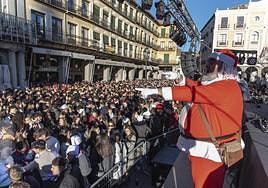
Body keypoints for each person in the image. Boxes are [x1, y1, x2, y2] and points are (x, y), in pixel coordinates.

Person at [137, 49, 244, 188]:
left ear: (224, 66)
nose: (207, 65)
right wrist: (181, 79)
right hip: (205, 149)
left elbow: (194, 92)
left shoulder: (226, 87)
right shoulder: (222, 84)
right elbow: (198, 86)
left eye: (212, 62)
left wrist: (157, 91)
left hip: (211, 152)